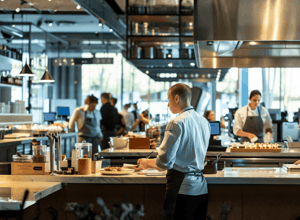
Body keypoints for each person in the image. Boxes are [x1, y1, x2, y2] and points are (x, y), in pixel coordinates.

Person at [136, 83, 211, 220]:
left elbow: (164, 162)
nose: (168, 104)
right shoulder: (204, 121)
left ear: (176, 99)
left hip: (182, 187)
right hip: (201, 187)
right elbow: (187, 155)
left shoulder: (176, 123)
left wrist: (147, 163)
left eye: (168, 100)